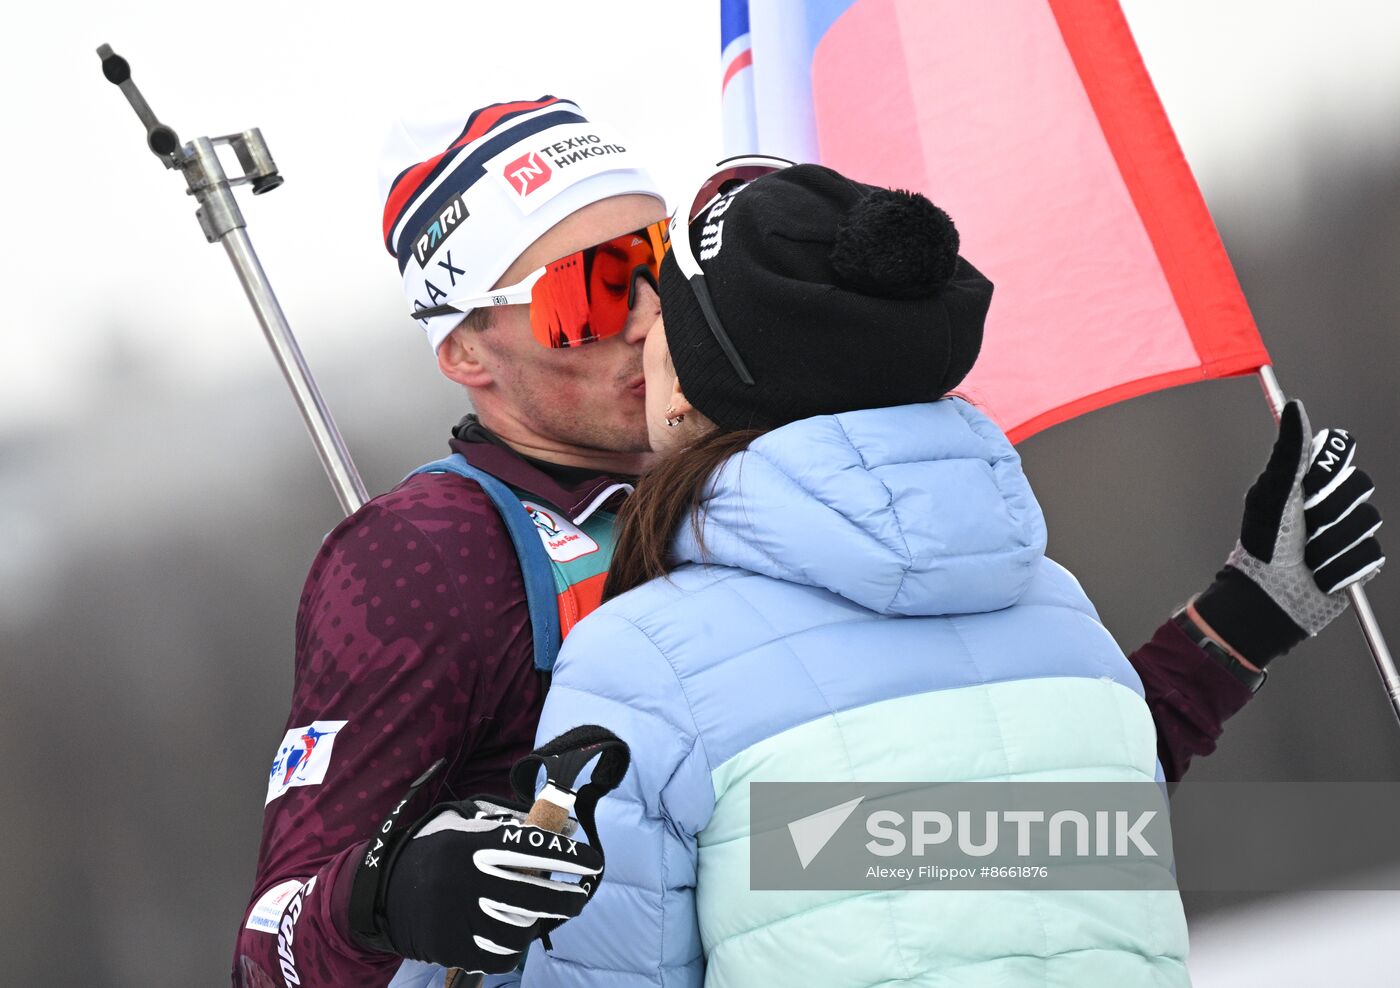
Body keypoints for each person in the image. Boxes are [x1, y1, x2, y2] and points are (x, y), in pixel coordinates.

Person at [230, 104, 1381, 984]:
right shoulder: (428, 555)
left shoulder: (765, 491)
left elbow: (967, 814)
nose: (642, 316)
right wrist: (389, 894)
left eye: (654, 263)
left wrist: (1239, 621)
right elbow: (267, 950)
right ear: (470, 353)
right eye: (586, 293)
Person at [518, 160, 1385, 987]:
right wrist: (1246, 619)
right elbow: (1005, 855)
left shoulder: (638, 666)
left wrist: (401, 909)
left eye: (662, 309)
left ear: (686, 387)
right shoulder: (1058, 612)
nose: (636, 330)